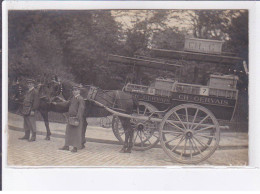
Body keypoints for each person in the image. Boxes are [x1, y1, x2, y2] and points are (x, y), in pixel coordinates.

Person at [54, 84, 85, 153]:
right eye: (73, 90)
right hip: (71, 118)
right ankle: (66, 146)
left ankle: (75, 147)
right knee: (68, 132)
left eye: (76, 90)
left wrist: (77, 119)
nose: (74, 92)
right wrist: (57, 103)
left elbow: (81, 109)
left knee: (76, 133)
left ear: (79, 91)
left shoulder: (80, 99)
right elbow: (66, 104)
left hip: (76, 119)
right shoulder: (73, 98)